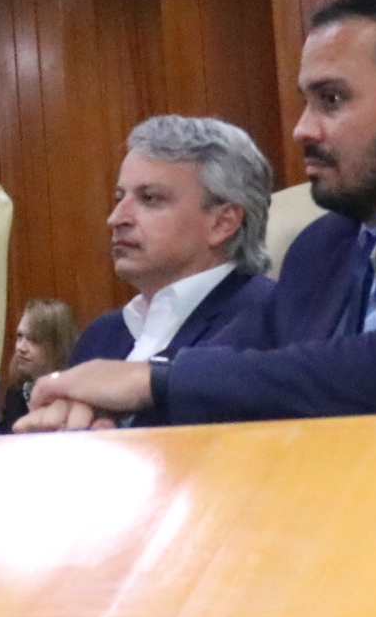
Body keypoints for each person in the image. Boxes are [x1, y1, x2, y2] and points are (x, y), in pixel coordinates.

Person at [26, 0, 376, 428]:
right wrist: (96, 404)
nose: (302, 129)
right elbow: (253, 375)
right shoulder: (321, 245)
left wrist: (151, 381)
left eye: (331, 100)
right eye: (306, 102)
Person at [16, 118, 275, 430]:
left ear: (222, 223)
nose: (116, 218)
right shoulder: (102, 334)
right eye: (119, 198)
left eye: (149, 199)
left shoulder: (270, 319)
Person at [0, 299, 75, 433]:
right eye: (19, 337)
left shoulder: (75, 394)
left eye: (33, 340)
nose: (20, 347)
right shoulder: (17, 392)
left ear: (58, 345)